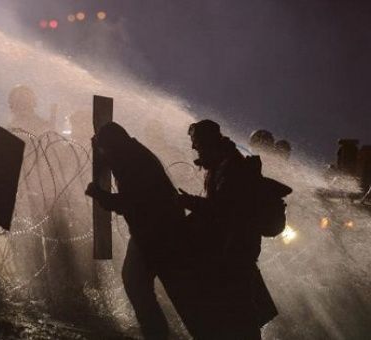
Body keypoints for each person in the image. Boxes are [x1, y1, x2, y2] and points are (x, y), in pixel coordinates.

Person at [85, 122, 199, 340]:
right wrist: (100, 152)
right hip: (155, 232)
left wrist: (99, 194)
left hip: (157, 234)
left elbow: (130, 202)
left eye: (105, 148)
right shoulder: (131, 154)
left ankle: (158, 333)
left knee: (142, 283)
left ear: (113, 145)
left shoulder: (132, 162)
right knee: (149, 284)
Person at [178, 119, 278, 339]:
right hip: (233, 249)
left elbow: (223, 210)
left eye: (195, 142)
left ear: (207, 141)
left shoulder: (230, 167)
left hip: (236, 250)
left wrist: (190, 203)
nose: (193, 147)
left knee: (240, 313)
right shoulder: (222, 164)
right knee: (237, 311)